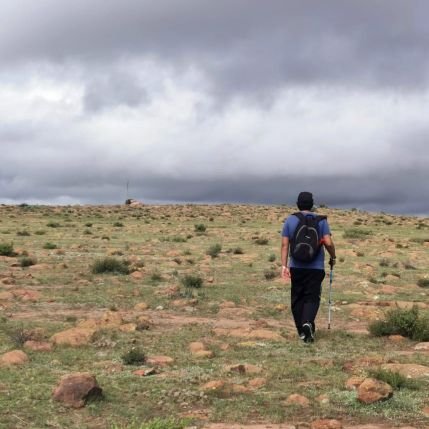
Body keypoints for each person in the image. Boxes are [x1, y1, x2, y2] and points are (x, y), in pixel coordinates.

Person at [281, 191, 336, 343]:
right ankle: (307, 323)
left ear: (298, 204)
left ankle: (302, 331)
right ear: (312, 205)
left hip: (296, 266)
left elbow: (285, 245)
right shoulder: (321, 220)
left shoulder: (290, 220)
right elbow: (328, 242)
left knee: (297, 298)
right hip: (316, 267)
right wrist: (333, 256)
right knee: (312, 297)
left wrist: (284, 266)